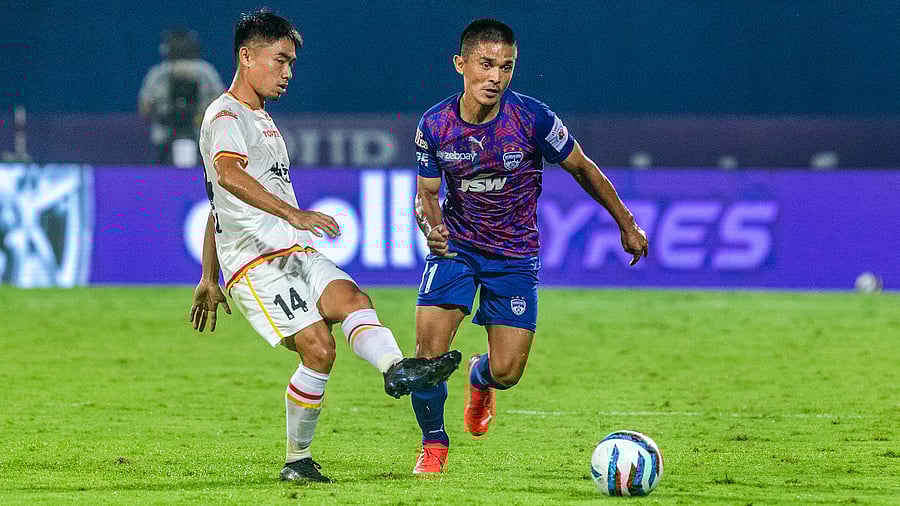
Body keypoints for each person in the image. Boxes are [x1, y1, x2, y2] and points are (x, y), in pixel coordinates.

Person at [188, 9, 462, 484]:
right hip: (255, 262)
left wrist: (207, 277)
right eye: (280, 60)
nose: (288, 72)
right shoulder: (226, 115)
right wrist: (291, 215)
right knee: (319, 349)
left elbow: (217, 207)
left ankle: (397, 369)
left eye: (291, 63)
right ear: (246, 56)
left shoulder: (261, 119)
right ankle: (297, 461)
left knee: (352, 299)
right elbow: (228, 177)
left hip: (293, 251)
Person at [409, 18, 649, 474]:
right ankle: (434, 445)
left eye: (506, 67)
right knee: (427, 357)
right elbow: (425, 195)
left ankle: (480, 376)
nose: (495, 77)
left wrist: (626, 222)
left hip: (515, 255)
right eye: (486, 64)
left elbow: (583, 168)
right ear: (460, 64)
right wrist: (432, 228)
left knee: (507, 372)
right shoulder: (435, 124)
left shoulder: (532, 118)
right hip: (457, 249)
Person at [139, 27, 225, 165]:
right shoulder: (206, 71)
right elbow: (145, 107)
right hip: (166, 133)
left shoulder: (158, 73)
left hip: (199, 132)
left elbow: (145, 108)